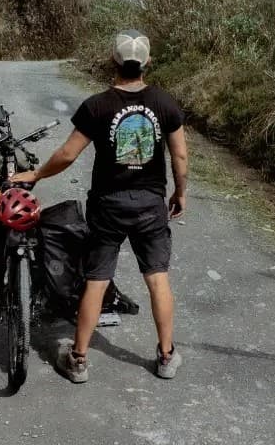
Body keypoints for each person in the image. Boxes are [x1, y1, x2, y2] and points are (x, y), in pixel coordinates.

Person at [11, 29, 188, 383]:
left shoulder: (97, 105)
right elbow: (179, 155)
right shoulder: (166, 104)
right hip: (151, 203)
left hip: (108, 205)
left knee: (96, 279)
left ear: (114, 61)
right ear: (147, 63)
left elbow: (67, 154)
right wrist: (179, 192)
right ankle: (166, 356)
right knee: (157, 278)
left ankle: (78, 360)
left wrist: (37, 174)